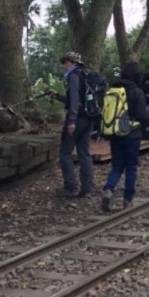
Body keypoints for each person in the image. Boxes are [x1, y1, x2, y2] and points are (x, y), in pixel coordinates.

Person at [100, 60, 149, 212]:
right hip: (132, 134)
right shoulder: (137, 91)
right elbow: (141, 115)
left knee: (117, 166)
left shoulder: (113, 89)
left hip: (114, 133)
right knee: (131, 167)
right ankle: (127, 199)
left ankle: (109, 189)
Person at [50, 50, 103, 199]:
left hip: (77, 120)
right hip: (88, 119)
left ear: (73, 63)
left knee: (65, 154)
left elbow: (74, 101)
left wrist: (71, 121)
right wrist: (56, 96)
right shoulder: (84, 76)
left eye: (66, 63)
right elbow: (75, 99)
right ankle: (87, 187)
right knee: (84, 153)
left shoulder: (73, 77)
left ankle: (70, 187)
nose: (64, 66)